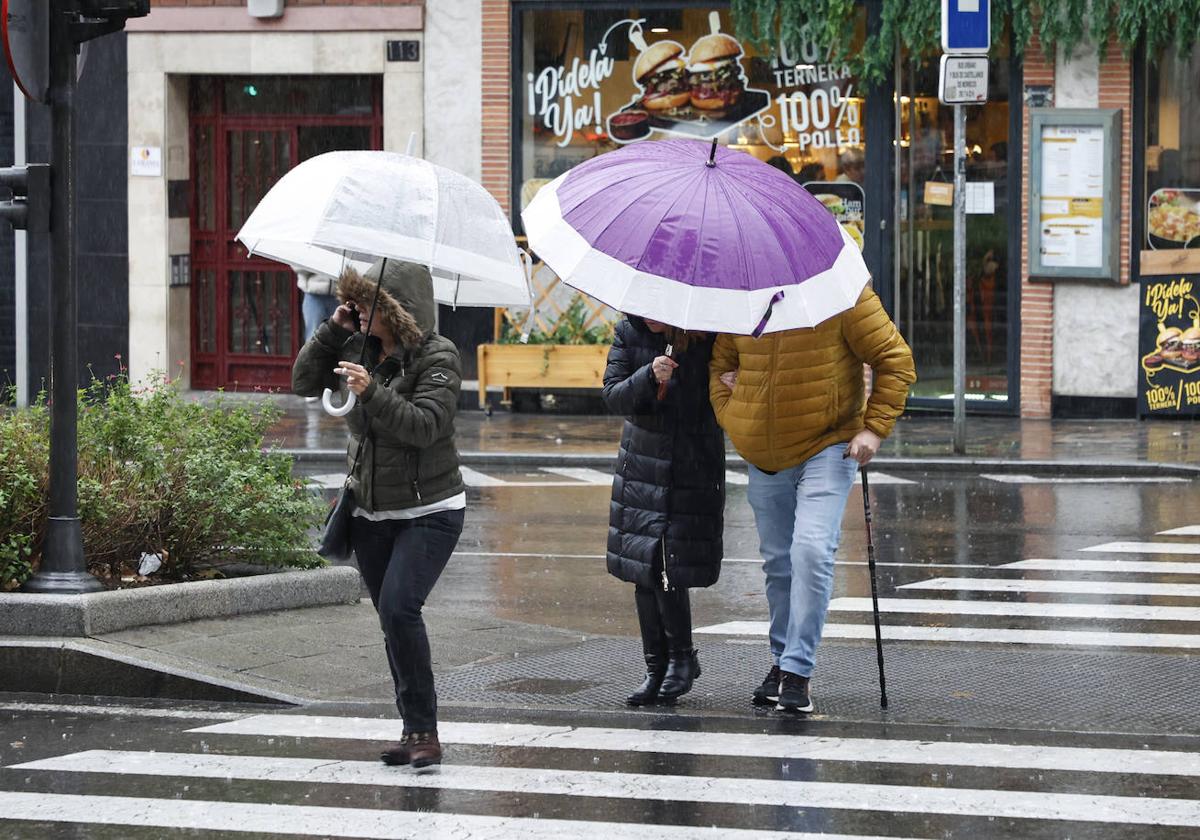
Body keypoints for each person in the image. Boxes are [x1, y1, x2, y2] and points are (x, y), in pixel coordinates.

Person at [292, 260, 465, 770]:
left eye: (368, 305)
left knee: (398, 608)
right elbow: (304, 381)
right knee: (392, 622)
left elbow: (424, 426)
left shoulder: (439, 355)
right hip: (370, 510)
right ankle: (411, 730)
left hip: (429, 509)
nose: (360, 312)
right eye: (357, 304)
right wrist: (332, 330)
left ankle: (426, 732)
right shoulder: (359, 344)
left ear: (396, 310)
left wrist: (372, 391)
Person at [709, 286, 915, 714]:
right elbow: (721, 366)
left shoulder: (842, 291)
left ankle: (797, 671)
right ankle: (781, 662)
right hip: (765, 452)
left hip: (829, 444)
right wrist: (735, 415)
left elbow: (895, 360)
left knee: (811, 550)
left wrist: (873, 429)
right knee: (778, 562)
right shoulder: (743, 293)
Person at [603, 316, 724, 706]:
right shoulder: (628, 333)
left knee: (670, 564)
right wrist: (648, 375)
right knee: (644, 567)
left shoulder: (704, 334)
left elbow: (711, 400)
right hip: (643, 462)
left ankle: (683, 660)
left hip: (691, 460)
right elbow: (613, 396)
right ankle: (656, 667)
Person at [294, 266, 340, 341]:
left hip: (341, 292)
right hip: (314, 293)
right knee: (314, 338)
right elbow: (297, 262)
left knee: (342, 338)